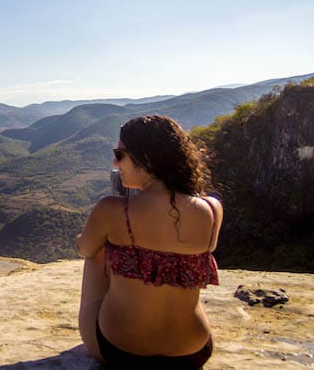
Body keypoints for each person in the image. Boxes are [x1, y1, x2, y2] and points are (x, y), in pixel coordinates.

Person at [76, 115, 223, 369]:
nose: (115, 161)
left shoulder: (113, 210)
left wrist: (89, 239)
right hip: (193, 353)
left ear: (147, 158)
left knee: (96, 255)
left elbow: (85, 249)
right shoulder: (212, 209)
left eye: (120, 154)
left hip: (121, 351)